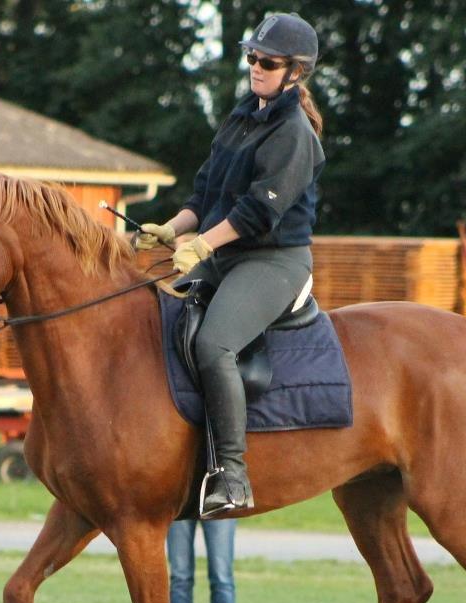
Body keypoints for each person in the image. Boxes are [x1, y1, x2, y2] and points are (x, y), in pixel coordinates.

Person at [137, 12, 325, 517]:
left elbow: (258, 212)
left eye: (268, 62)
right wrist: (171, 229)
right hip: (225, 252)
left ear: (296, 71)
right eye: (251, 58)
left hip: (273, 260)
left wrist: (202, 246)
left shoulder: (293, 132)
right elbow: (207, 194)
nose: (256, 68)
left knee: (212, 343)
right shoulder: (242, 115)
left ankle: (232, 475)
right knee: (149, 311)